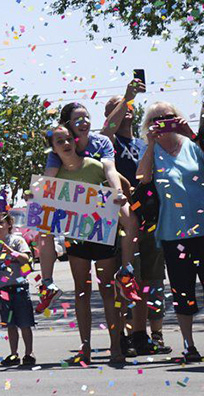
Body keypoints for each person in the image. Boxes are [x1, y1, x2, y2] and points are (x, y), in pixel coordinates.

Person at [35, 102, 140, 313]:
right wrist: (36, 195)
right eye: (77, 120)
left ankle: (126, 273)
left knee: (130, 220)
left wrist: (117, 191)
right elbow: (49, 177)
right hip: (76, 205)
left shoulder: (101, 142)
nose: (84, 123)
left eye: (86, 118)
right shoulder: (60, 146)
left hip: (103, 199)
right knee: (42, 227)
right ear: (67, 125)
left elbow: (110, 169)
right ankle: (47, 283)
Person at [45, 126, 128, 365]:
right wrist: (35, 198)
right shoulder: (55, 174)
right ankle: (85, 348)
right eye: (60, 141)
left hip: (102, 235)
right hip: (75, 237)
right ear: (54, 148)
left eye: (68, 139)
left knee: (107, 291)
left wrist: (117, 198)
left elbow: (115, 191)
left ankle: (116, 346)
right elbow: (45, 201)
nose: (66, 144)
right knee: (81, 291)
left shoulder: (95, 165)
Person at [101, 80, 171, 356]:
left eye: (128, 106)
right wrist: (127, 98)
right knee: (128, 277)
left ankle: (148, 335)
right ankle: (127, 333)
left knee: (149, 280)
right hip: (123, 219)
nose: (124, 109)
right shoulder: (108, 144)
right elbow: (107, 128)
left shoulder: (144, 143)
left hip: (151, 219)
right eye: (114, 107)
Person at [136, 102, 204, 363]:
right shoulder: (151, 151)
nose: (164, 121)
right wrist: (152, 144)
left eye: (169, 116)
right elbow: (142, 177)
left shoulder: (192, 145)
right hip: (173, 234)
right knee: (182, 291)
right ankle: (189, 345)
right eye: (157, 119)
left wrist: (191, 135)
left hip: (202, 228)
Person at [0, 207, 36, 367]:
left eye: (0, 223)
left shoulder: (17, 240)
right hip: (4, 289)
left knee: (25, 323)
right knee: (10, 324)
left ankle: (29, 353)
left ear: (9, 224)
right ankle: (14, 353)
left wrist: (11, 252)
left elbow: (26, 260)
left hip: (19, 287)